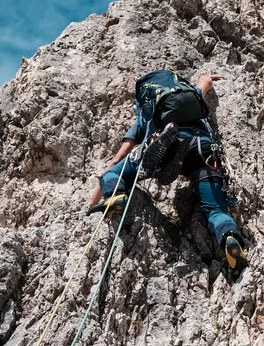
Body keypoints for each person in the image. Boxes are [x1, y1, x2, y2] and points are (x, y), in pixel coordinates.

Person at [86, 70, 246, 272]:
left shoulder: (146, 113)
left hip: (164, 139)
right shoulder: (190, 98)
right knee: (215, 211)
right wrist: (206, 79)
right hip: (202, 148)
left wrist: (94, 202)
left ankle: (117, 193)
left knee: (114, 175)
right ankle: (229, 236)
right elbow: (204, 83)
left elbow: (116, 161)